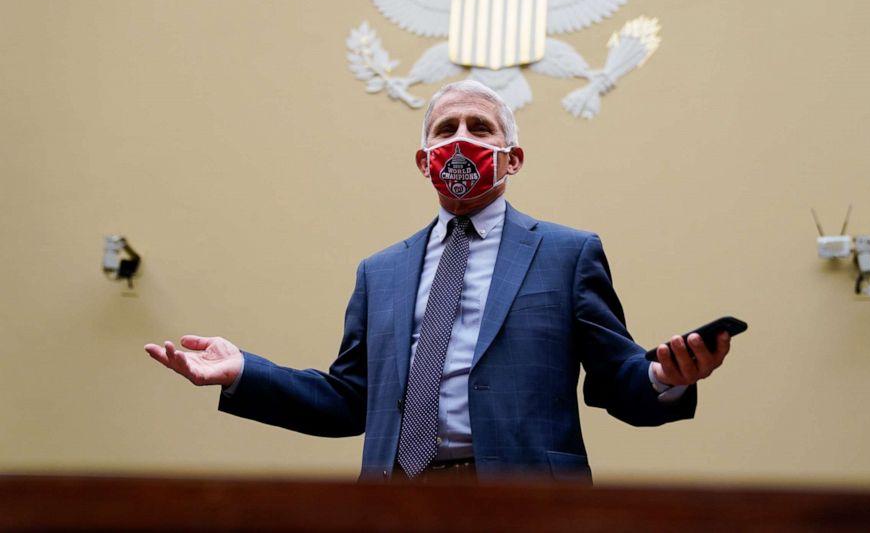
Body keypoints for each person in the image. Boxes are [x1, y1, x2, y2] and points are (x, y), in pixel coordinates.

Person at [145, 80, 732, 482]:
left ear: (513, 157)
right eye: (447, 128)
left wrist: (664, 375)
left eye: (480, 127)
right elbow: (351, 401)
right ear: (425, 160)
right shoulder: (381, 273)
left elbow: (615, 376)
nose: (462, 139)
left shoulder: (568, 254)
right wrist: (244, 370)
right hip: (399, 493)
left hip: (524, 499)